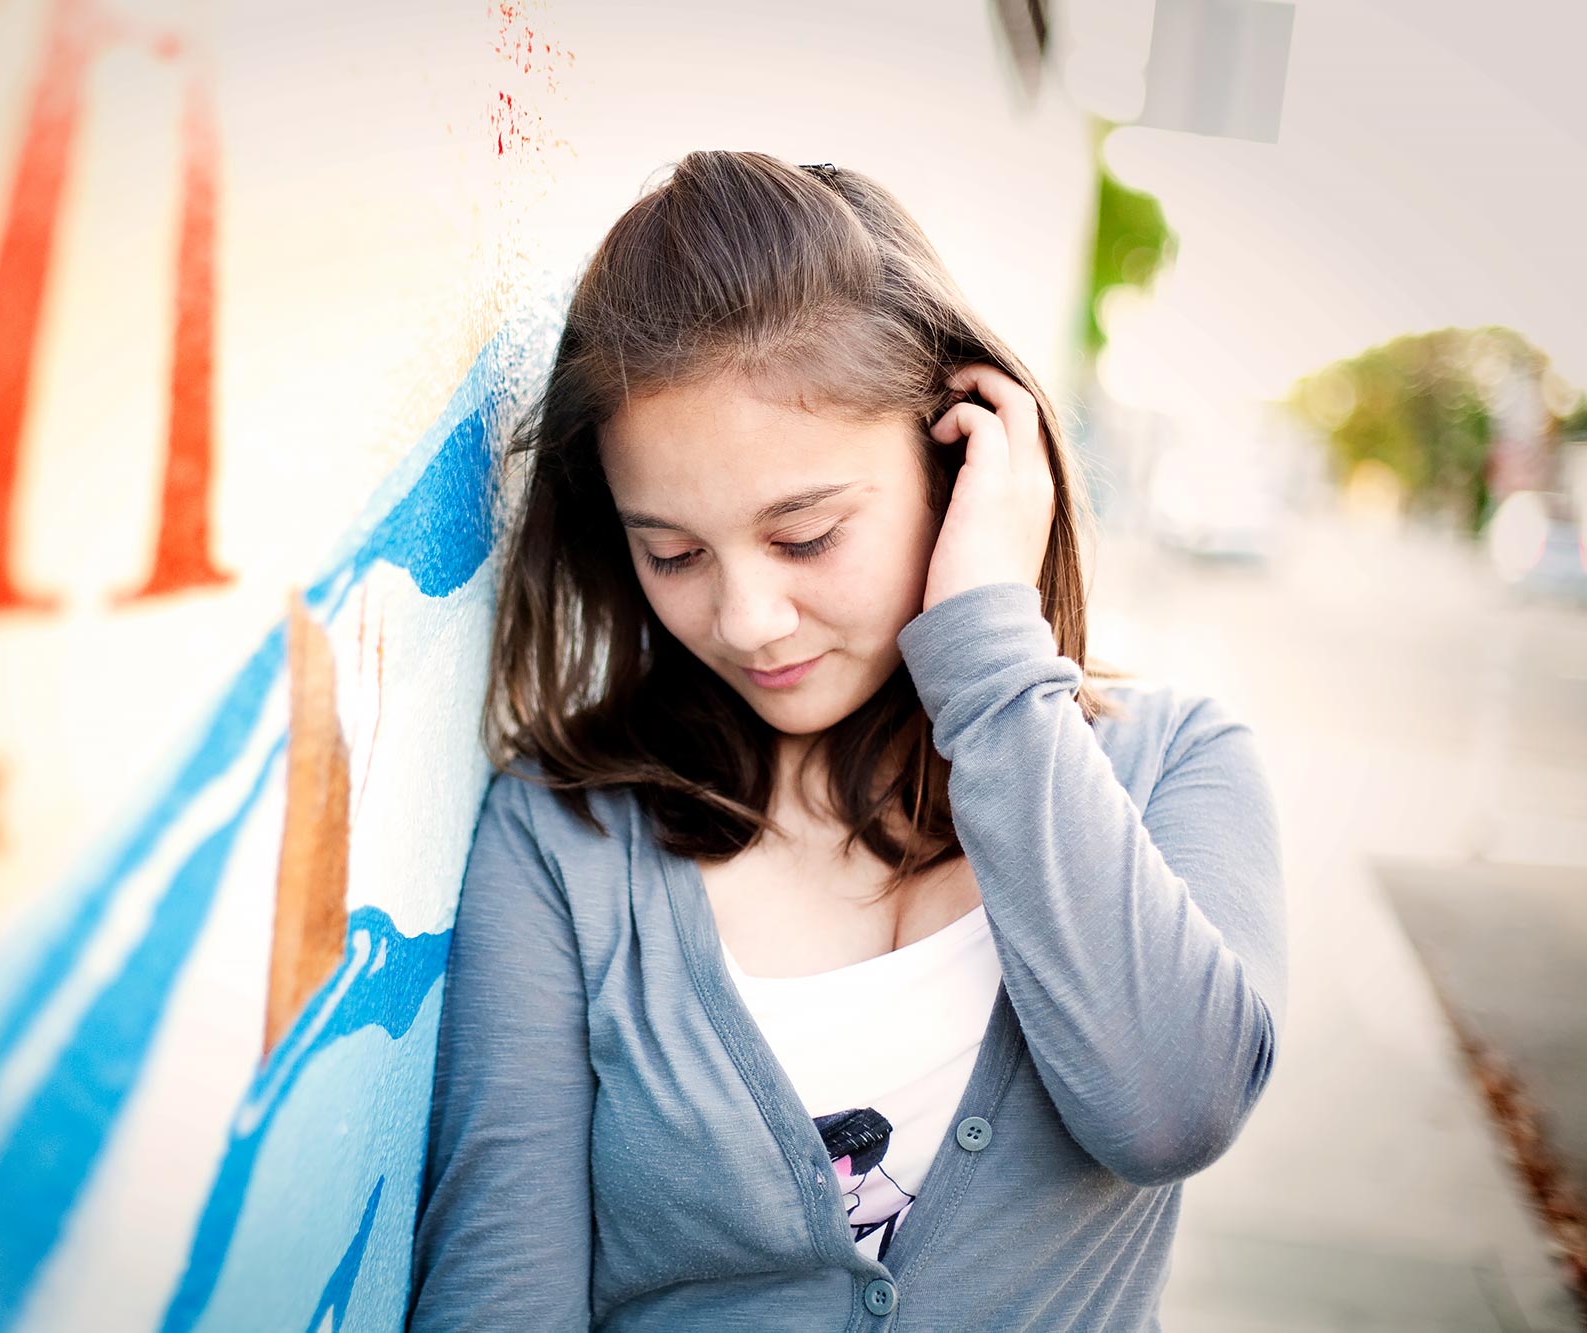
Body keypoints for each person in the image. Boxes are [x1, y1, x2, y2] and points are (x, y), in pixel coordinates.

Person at [406, 150, 1287, 1331]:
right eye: (670, 552)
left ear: (955, 462)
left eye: (806, 534)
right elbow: (497, 1295)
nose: (743, 618)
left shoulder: (1171, 765)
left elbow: (1171, 1110)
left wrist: (983, 645)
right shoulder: (566, 836)